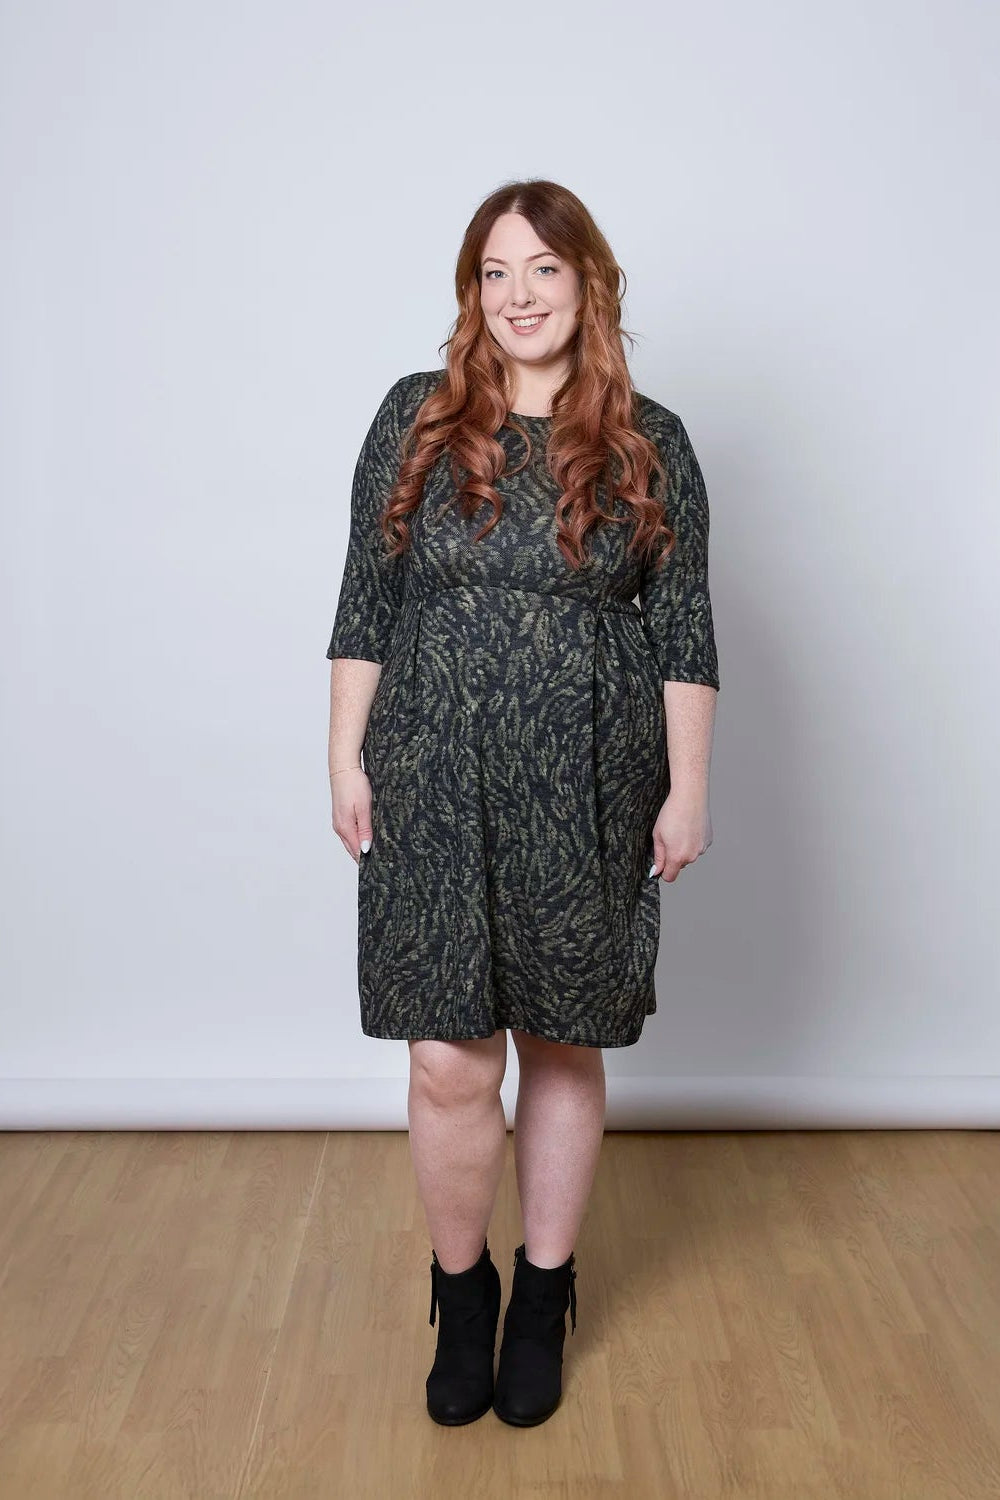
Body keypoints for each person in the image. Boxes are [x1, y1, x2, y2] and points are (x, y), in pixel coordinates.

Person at [326, 179, 720, 1427]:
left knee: (560, 1037)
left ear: (587, 283)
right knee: (448, 1053)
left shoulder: (650, 438)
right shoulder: (416, 418)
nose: (518, 295)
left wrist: (690, 785)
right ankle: (464, 1289)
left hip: (592, 773)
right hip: (432, 766)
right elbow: (364, 601)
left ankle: (545, 1291)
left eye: (542, 269)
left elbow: (684, 629)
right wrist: (344, 756)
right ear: (470, 294)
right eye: (494, 273)